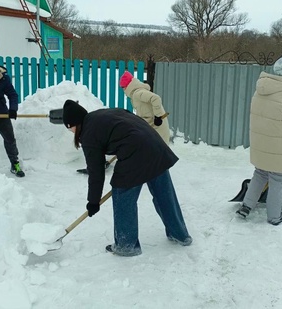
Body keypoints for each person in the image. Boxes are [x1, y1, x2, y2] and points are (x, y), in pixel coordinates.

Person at [62, 99, 192, 256]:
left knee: (122, 195)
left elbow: (96, 173)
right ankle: (180, 234)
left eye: (70, 128)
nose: (71, 131)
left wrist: (93, 201)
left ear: (73, 124)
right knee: (164, 194)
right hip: (154, 145)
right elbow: (127, 126)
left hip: (137, 152)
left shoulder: (88, 134)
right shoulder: (102, 115)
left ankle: (126, 245)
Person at [236, 55, 282, 225]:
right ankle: (274, 216)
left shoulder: (260, 91)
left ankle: (246, 205)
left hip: (261, 144)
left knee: (259, 174)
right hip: (279, 146)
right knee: (277, 179)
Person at [119, 71, 170, 144]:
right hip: (151, 128)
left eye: (123, 87)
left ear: (128, 86)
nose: (123, 90)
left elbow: (155, 98)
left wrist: (158, 116)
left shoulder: (138, 93)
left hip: (157, 128)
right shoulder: (135, 94)